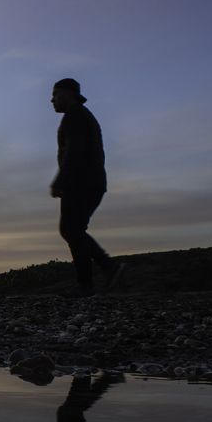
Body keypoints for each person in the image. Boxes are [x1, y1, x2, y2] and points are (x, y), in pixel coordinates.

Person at [50, 78, 125, 297]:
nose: (52, 100)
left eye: (55, 94)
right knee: (73, 230)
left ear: (67, 94)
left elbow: (75, 152)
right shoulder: (78, 116)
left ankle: (94, 279)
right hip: (87, 182)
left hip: (82, 182)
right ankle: (98, 276)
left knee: (71, 230)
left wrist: (60, 181)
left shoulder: (76, 116)